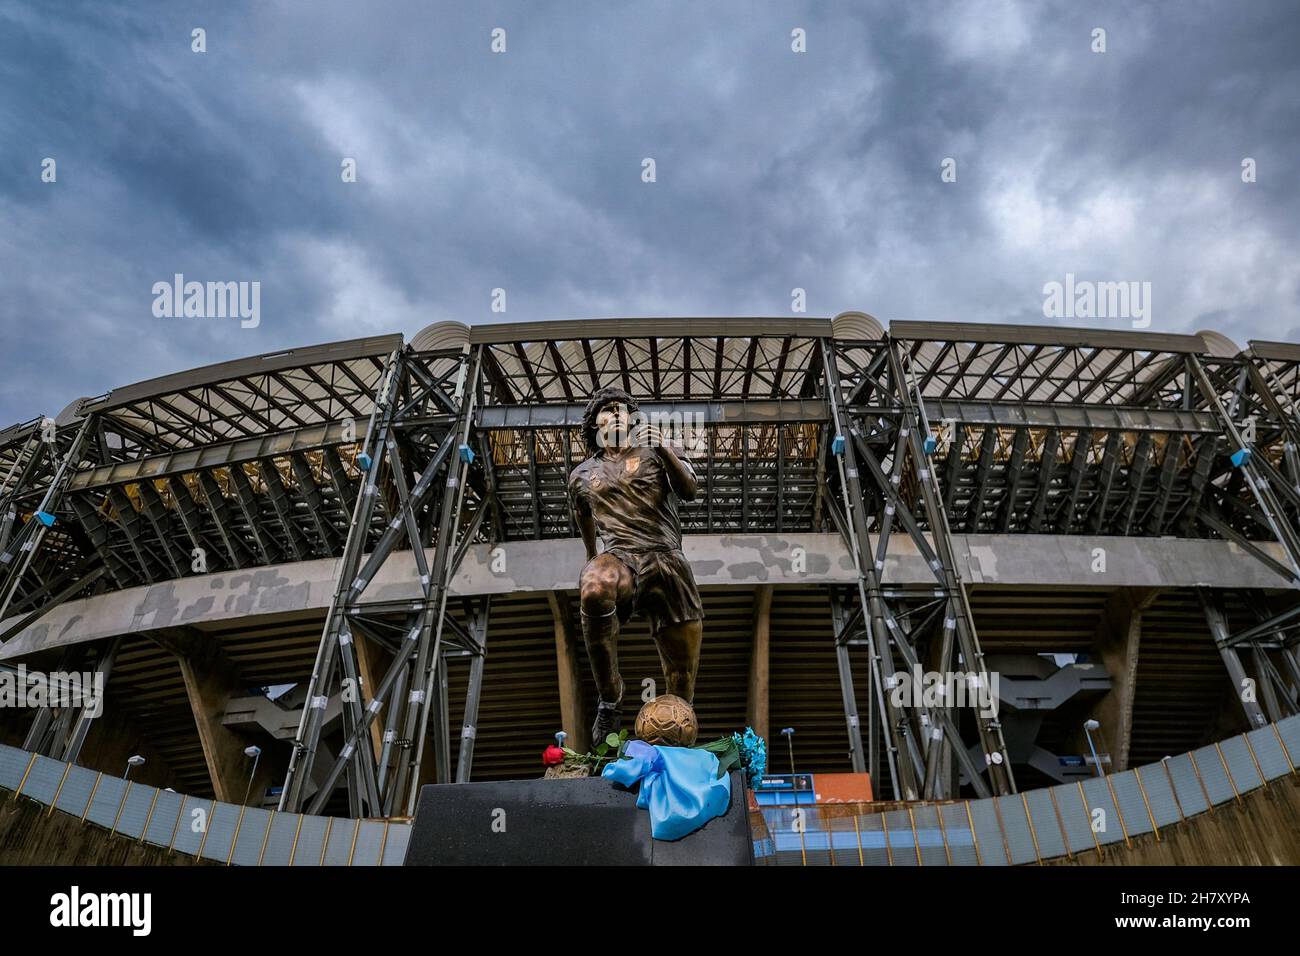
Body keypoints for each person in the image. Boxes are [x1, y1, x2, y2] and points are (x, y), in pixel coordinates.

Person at [567, 386, 705, 745]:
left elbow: (690, 489)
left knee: (680, 677)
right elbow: (583, 515)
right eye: (607, 409)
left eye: (622, 408)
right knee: (595, 584)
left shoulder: (656, 451)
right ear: (594, 423)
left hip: (667, 559)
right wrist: (590, 555)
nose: (616, 413)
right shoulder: (582, 474)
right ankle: (610, 699)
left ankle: (675, 744)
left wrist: (662, 447)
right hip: (622, 556)